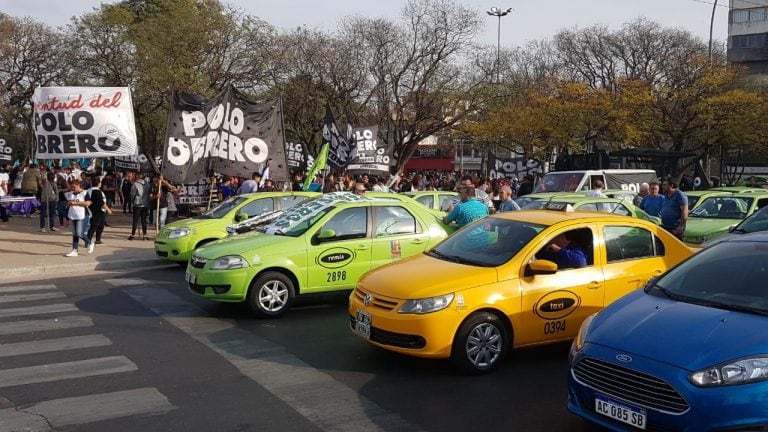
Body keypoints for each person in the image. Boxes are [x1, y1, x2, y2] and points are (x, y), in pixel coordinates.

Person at [64, 180, 93, 257]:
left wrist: (76, 203)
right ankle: (74, 250)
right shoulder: (70, 194)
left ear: (79, 185)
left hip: (82, 215)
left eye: (74, 187)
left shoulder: (85, 193)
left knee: (79, 233)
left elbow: (88, 203)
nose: (73, 188)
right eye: (72, 187)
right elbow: (68, 203)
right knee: (74, 234)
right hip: (73, 215)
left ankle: (89, 243)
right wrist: (67, 218)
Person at [87, 176, 111, 245]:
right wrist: (108, 209)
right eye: (100, 182)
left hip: (97, 211)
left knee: (100, 225)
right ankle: (88, 241)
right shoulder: (96, 191)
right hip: (97, 211)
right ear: (99, 183)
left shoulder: (90, 190)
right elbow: (101, 202)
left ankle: (98, 240)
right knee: (94, 226)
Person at [129, 172, 150, 240]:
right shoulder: (147, 184)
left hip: (137, 204)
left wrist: (133, 201)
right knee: (143, 220)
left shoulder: (135, 184)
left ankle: (133, 235)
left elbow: (132, 195)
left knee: (135, 220)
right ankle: (145, 234)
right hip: (145, 204)